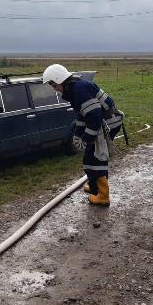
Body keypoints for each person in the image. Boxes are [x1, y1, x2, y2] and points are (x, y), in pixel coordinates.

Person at [43, 64, 124, 206]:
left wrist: (87, 139)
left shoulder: (79, 90)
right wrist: (78, 134)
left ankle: (103, 196)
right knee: (91, 157)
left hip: (107, 123)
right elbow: (83, 115)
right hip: (101, 122)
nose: (54, 88)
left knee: (94, 159)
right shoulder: (74, 89)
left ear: (59, 79)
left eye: (53, 84)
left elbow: (94, 117)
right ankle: (95, 187)